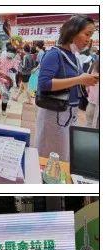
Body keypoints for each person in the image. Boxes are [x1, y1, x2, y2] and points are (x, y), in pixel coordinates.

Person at [36, 15, 98, 161]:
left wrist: (85, 81)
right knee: (50, 157)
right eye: (87, 34)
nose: (89, 39)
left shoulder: (74, 56)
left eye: (91, 35)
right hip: (54, 113)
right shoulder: (54, 54)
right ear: (72, 31)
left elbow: (70, 82)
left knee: (64, 156)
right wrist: (79, 79)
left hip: (70, 113)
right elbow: (44, 84)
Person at [0, 43, 21, 116]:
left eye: (12, 52)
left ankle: (3, 110)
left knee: (5, 95)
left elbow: (15, 70)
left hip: (8, 82)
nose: (10, 54)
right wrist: (3, 73)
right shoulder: (1, 57)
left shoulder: (15, 61)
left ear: (14, 54)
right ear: (7, 51)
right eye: (9, 51)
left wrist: (9, 75)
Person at [85, 57, 99, 128]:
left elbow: (86, 85)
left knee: (89, 127)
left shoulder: (93, 65)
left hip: (91, 103)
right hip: (94, 103)